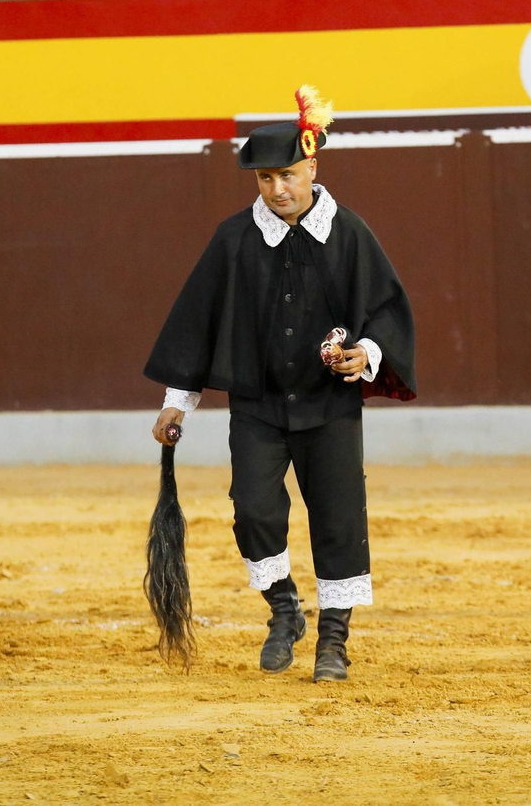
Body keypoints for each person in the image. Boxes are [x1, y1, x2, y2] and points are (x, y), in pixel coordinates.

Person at [145, 88, 417, 682]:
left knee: (340, 519)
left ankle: (334, 642)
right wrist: (176, 404)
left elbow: (387, 312)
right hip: (260, 405)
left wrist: (366, 353)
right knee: (254, 511)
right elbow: (198, 319)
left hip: (329, 404)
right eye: (265, 178)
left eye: (288, 175)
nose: (276, 189)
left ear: (312, 168)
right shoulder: (233, 238)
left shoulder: (348, 233)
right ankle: (285, 609)